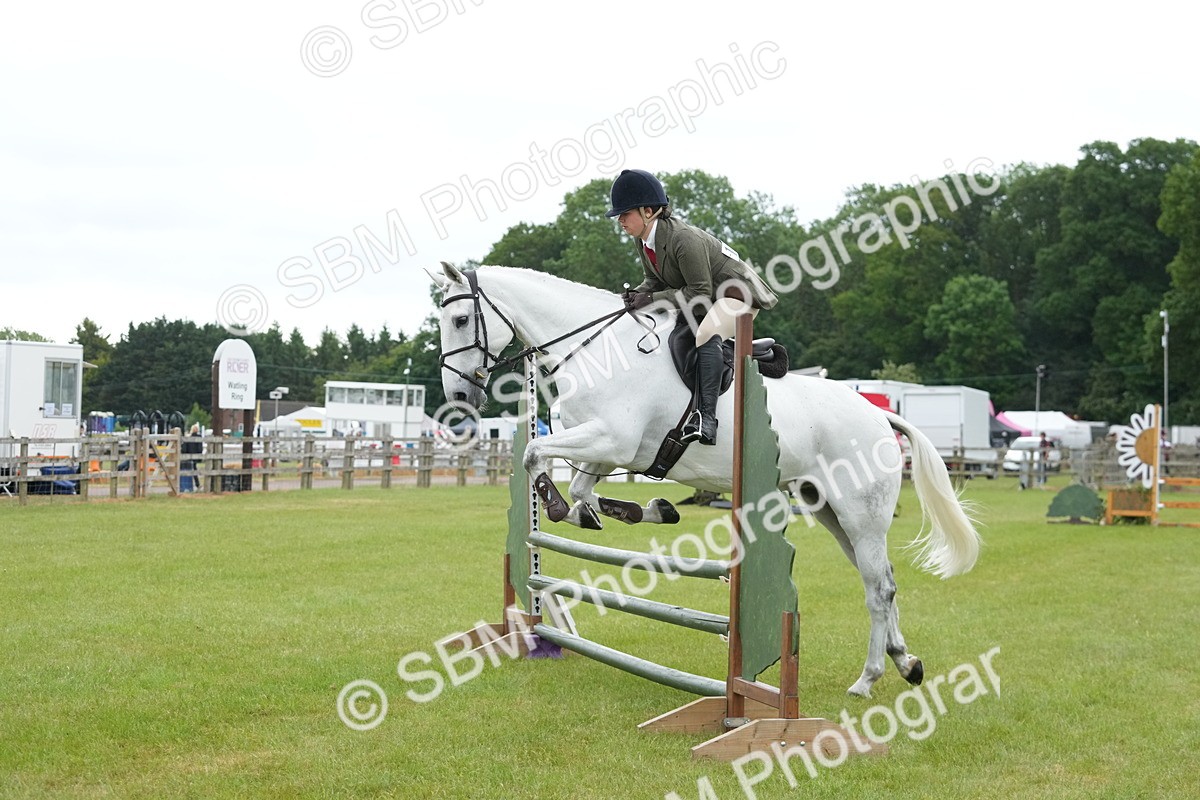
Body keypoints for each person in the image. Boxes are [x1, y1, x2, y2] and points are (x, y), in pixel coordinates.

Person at [606, 169, 778, 445]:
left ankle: (706, 419)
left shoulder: (684, 239)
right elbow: (653, 280)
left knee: (706, 334)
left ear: (648, 211)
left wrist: (650, 300)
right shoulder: (644, 240)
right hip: (705, 298)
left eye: (625, 214)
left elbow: (699, 291)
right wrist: (634, 296)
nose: (620, 221)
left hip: (736, 294)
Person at [180, 423, 203, 492]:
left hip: (188, 456)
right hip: (196, 455)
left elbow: (184, 449)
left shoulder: (188, 437)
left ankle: (196, 484)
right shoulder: (199, 437)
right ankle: (197, 484)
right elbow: (200, 448)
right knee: (194, 469)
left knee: (192, 469)